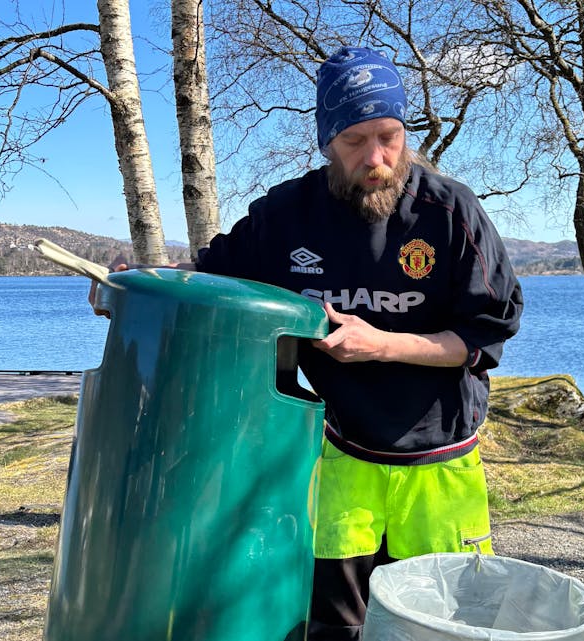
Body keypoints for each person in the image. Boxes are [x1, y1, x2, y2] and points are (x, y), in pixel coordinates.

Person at [93, 46, 523, 641]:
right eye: (354, 141)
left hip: (440, 459)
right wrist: (136, 284)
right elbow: (208, 278)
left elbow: (485, 335)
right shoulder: (286, 217)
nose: (376, 159)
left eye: (389, 136)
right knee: (332, 627)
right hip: (338, 452)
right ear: (326, 142)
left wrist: (382, 344)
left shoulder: (451, 215)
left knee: (443, 624)